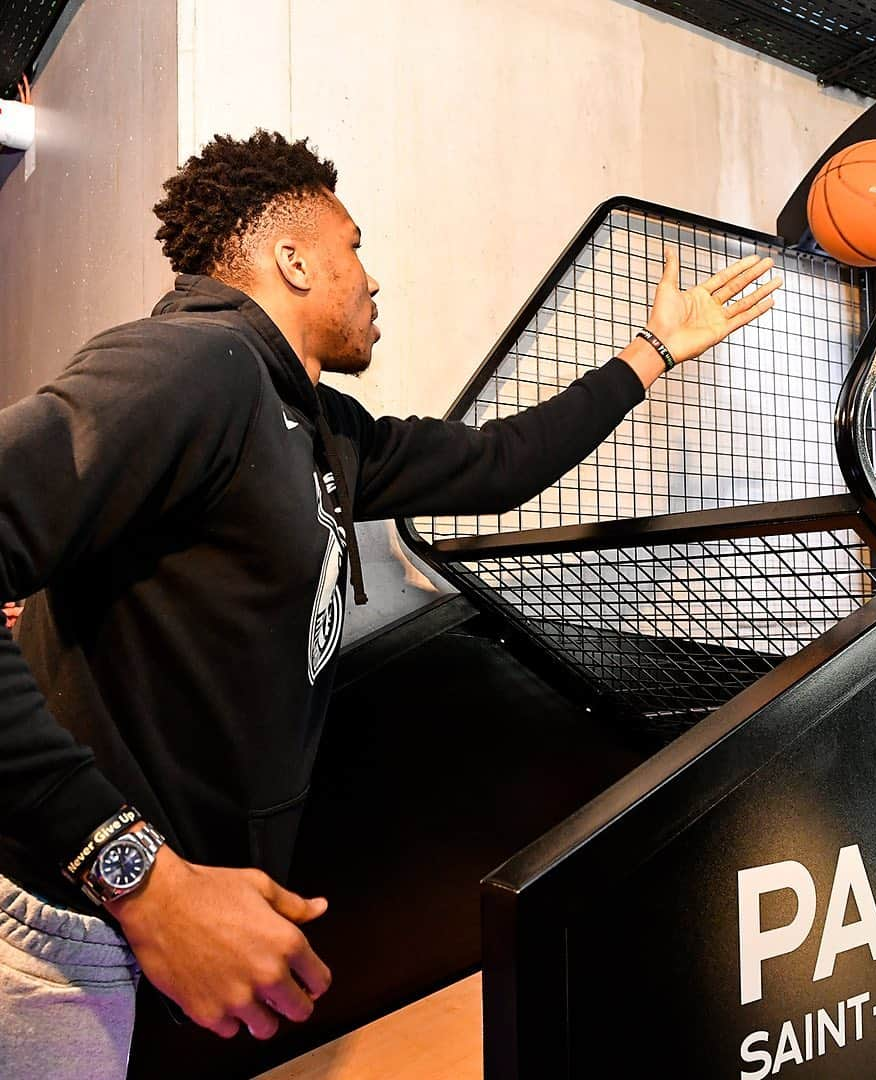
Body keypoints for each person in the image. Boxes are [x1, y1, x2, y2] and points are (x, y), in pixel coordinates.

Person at [0, 129, 781, 1075]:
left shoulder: (320, 427)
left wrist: (652, 352)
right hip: (53, 926)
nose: (374, 279)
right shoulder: (192, 368)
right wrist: (139, 877)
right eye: (355, 246)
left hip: (151, 931)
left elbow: (499, 468)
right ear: (292, 259)